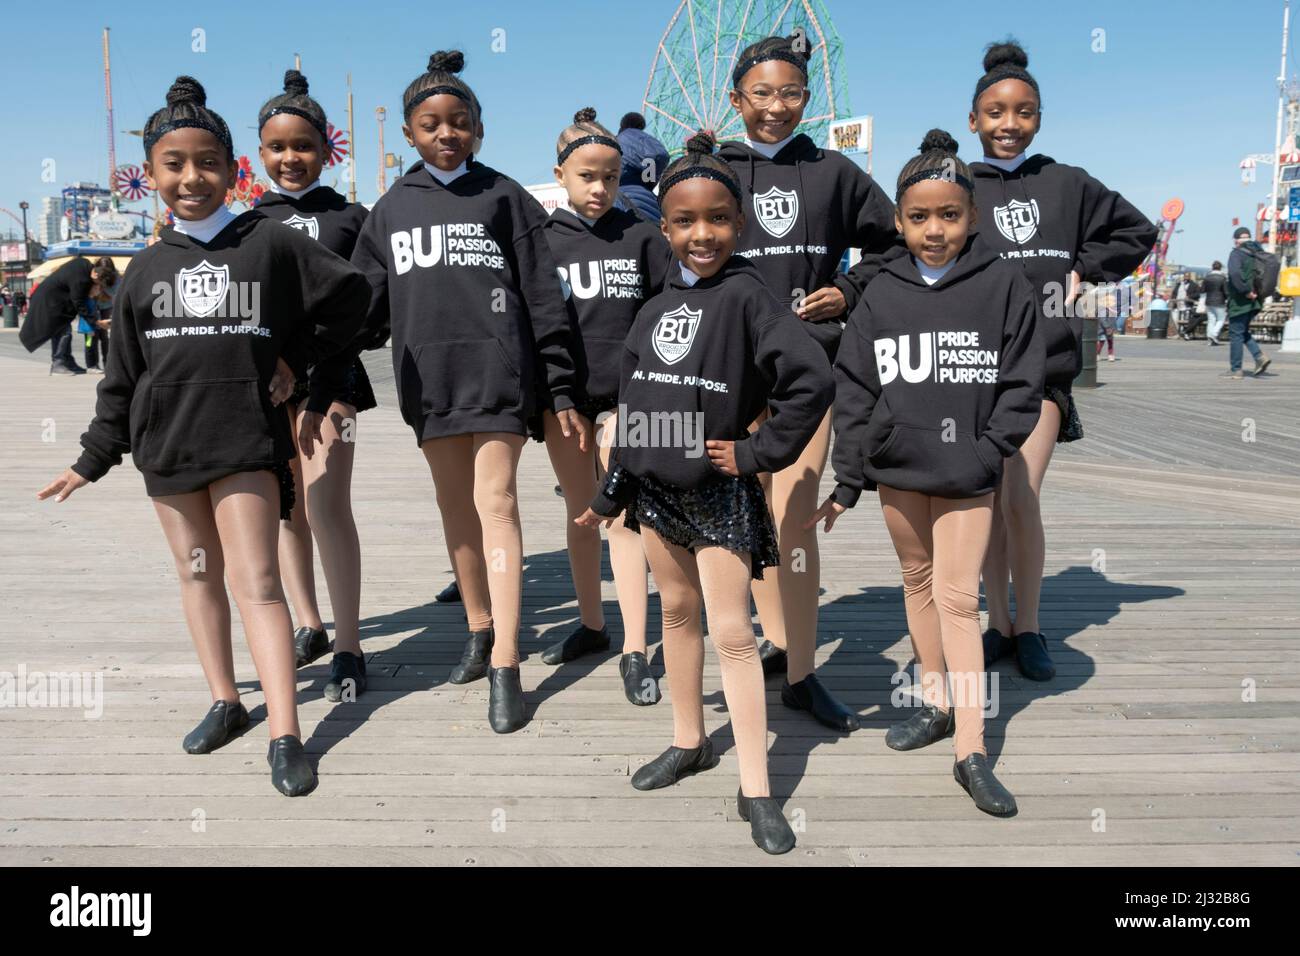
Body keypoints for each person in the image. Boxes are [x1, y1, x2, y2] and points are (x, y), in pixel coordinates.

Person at [36, 76, 371, 796]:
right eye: (174, 164)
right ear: (151, 175)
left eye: (208, 162)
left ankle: (286, 730)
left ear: (232, 168)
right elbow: (122, 379)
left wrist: (296, 358)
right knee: (197, 575)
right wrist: (92, 459)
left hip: (249, 443)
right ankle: (227, 700)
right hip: (171, 452)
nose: (192, 178)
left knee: (258, 582)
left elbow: (354, 296)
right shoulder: (144, 270)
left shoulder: (271, 243)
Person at [577, 130, 833, 854]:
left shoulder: (751, 298)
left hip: (719, 496)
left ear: (739, 223)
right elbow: (635, 409)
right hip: (655, 498)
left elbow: (810, 380)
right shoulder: (655, 309)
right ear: (665, 229)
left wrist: (757, 452)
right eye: (685, 221)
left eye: (717, 219)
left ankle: (757, 786)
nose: (702, 234)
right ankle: (689, 740)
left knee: (733, 636)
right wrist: (612, 490)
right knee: (678, 619)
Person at [809, 129, 1043, 816]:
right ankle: (936, 699)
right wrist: (849, 481)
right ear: (900, 221)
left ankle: (971, 749)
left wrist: (989, 448)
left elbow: (1022, 380)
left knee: (960, 600)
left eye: (948, 215)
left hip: (968, 473)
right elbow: (855, 389)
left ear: (972, 217)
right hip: (898, 472)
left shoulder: (1002, 284)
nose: (933, 230)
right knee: (916, 583)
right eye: (918, 217)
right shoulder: (880, 293)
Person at [349, 51, 583, 734]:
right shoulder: (390, 209)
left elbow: (544, 298)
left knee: (498, 503)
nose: (446, 133)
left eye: (459, 122)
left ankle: (508, 661)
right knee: (456, 510)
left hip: (501, 376)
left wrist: (560, 385)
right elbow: (361, 306)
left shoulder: (506, 198)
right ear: (411, 135)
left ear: (478, 129)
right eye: (431, 124)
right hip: (429, 381)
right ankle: (478, 628)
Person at [716, 32, 901, 732]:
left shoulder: (834, 172)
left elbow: (893, 241)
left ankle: (800, 672)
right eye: (760, 93)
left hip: (810, 363)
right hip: (726, 369)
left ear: (808, 98)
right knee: (746, 516)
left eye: (790, 93)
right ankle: (777, 639)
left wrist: (849, 290)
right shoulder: (710, 169)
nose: (775, 107)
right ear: (736, 98)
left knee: (794, 512)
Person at [967, 39, 1157, 681]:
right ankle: (997, 623)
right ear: (975, 120)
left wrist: (1084, 266)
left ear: (1039, 119)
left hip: (1041, 368)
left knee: (1021, 492)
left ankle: (1031, 626)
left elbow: (1137, 230)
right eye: (995, 111)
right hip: (967, 371)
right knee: (986, 500)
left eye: (1023, 111)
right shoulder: (958, 183)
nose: (1008, 123)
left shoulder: (1067, 183)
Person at [537, 107, 673, 704]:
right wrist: (560, 394)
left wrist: (640, 398)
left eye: (611, 177)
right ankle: (592, 625)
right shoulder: (542, 244)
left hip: (628, 402)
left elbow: (666, 318)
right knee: (581, 514)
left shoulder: (642, 238)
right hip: (565, 404)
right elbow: (540, 328)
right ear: (561, 175)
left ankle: (635, 648)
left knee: (622, 517)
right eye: (587, 176)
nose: (599, 188)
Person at [256, 69, 376, 702]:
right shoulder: (247, 223)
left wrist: (323, 372)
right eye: (276, 147)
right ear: (259, 153)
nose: (290, 158)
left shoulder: (352, 217)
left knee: (328, 505)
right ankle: (311, 624)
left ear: (329, 148)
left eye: (303, 145)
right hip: (268, 386)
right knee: (287, 508)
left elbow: (366, 307)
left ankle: (351, 644)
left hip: (337, 382)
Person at [19, 255, 118, 374]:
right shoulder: (82, 279)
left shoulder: (84, 265)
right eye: (98, 283)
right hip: (50, 302)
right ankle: (58, 363)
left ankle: (68, 361)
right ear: (96, 274)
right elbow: (79, 303)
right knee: (62, 331)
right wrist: (96, 322)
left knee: (66, 330)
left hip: (56, 301)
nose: (98, 287)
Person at [1225, 227, 1273, 379]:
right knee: (1242, 331)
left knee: (1236, 334)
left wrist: (1245, 290)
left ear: (1236, 240)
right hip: (1256, 300)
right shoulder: (1256, 253)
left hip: (1241, 300)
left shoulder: (1237, 253)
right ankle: (1259, 357)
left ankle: (1236, 369)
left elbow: (1234, 274)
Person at [616, 112, 669, 223]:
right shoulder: (650, 142)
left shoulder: (620, 140)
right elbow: (660, 157)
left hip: (623, 198)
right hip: (650, 199)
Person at [1202, 260, 1227, 346]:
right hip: (1220, 301)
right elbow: (1226, 291)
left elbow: (1202, 290)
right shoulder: (1223, 278)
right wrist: (1227, 298)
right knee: (1221, 319)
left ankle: (1210, 337)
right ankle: (1214, 334)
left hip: (1209, 300)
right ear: (1220, 268)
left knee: (1211, 320)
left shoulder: (1207, 277)